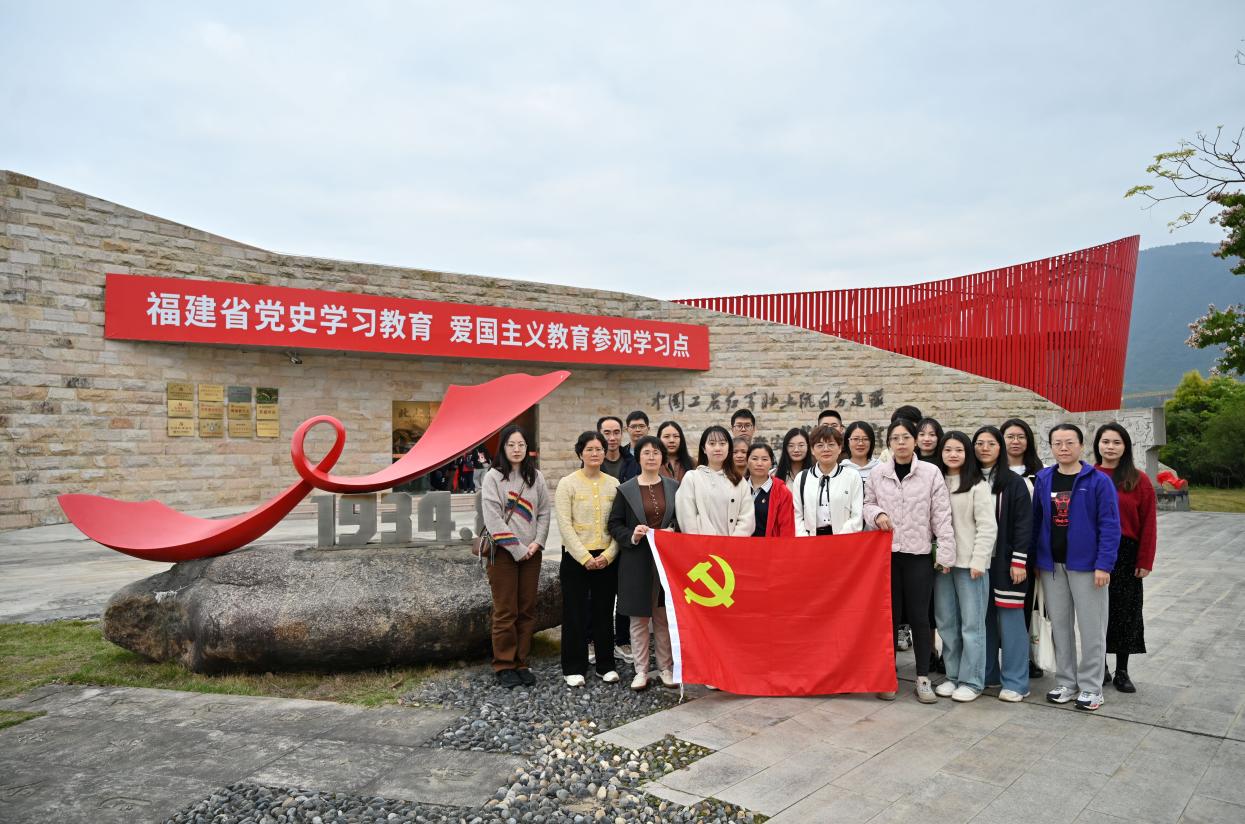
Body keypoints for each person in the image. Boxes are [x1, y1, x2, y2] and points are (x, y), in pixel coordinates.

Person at [863, 418, 956, 703]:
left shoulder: (930, 473)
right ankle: (887, 675)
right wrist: (877, 514)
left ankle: (923, 677)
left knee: (919, 616)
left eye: (906, 437)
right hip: (886, 556)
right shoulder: (878, 473)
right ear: (889, 443)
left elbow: (941, 515)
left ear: (915, 441)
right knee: (889, 616)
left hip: (918, 555)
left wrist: (946, 553)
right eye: (895, 438)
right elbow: (867, 504)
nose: (901, 443)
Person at [1033, 423, 1121, 712]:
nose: (1063, 448)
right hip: (1052, 566)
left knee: (1092, 628)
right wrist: (1036, 560)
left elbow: (1110, 525)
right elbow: (1036, 521)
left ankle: (1092, 687)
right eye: (1057, 443)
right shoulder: (1044, 478)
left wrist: (1104, 565)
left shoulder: (1097, 481)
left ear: (1081, 445)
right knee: (1060, 627)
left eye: (1069, 442)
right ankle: (1066, 682)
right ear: (1051, 447)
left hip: (1088, 567)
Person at [481, 425, 552, 689]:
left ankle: (521, 661)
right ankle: (504, 664)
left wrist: (537, 542)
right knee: (505, 610)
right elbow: (493, 519)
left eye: (521, 444)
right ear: (503, 447)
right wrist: (518, 549)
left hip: (532, 553)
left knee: (526, 609)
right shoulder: (493, 477)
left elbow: (544, 512)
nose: (516, 449)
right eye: (511, 444)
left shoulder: (536, 477)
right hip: (503, 554)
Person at [608, 435, 679, 691]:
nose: (651, 457)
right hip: (636, 560)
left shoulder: (674, 487)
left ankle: (666, 668)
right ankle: (641, 670)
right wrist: (633, 535)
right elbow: (614, 524)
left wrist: (673, 531)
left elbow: (681, 519)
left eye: (656, 452)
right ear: (638, 457)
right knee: (638, 618)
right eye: (646, 452)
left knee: (663, 616)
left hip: (665, 562)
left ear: (662, 457)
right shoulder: (625, 490)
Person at [932, 431, 997, 703]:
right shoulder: (935, 481)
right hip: (942, 565)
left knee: (972, 625)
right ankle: (953, 675)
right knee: (947, 623)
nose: (953, 454)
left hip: (970, 566)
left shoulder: (977, 485)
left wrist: (979, 560)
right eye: (948, 449)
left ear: (967, 453)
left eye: (959, 450)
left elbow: (987, 527)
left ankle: (972, 681)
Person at [1094, 422, 1157, 694]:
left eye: (1116, 442)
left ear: (1125, 447)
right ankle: (1100, 667)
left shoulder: (1138, 480)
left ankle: (1122, 670)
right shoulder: (1089, 475)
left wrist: (1144, 560)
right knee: (1096, 611)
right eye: (1105, 441)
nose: (1110, 447)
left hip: (1127, 553)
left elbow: (1149, 522)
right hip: (1095, 552)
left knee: (1126, 612)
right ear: (1097, 444)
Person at [556, 431, 623, 687]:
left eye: (599, 449)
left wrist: (609, 554)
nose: (595, 453)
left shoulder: (614, 484)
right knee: (575, 612)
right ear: (580, 453)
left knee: (604, 611)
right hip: (576, 558)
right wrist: (584, 557)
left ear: (605, 453)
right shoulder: (567, 484)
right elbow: (564, 524)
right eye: (589, 449)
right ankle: (574, 667)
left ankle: (606, 665)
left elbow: (618, 523)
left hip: (606, 557)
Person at [974, 426, 1033, 703]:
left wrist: (1019, 561)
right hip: (977, 561)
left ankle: (1017, 681)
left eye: (991, 443)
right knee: (982, 619)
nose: (984, 448)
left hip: (1007, 562)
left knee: (1011, 621)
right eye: (979, 443)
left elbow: (1024, 524)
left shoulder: (1013, 482)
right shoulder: (969, 479)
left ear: (1000, 447)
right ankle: (988, 675)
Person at [1001, 416, 1045, 678]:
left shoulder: (1041, 473)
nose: (1015, 441)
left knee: (1027, 605)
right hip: (998, 551)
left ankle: (1027, 657)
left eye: (1021, 436)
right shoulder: (991, 473)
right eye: (1010, 436)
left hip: (1028, 551)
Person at [675, 425, 754, 538]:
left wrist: (733, 542)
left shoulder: (739, 481)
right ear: (704, 449)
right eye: (712, 444)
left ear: (729, 448)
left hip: (733, 545)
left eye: (722, 443)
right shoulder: (692, 478)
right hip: (702, 545)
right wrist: (700, 543)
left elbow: (747, 518)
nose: (717, 448)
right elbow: (686, 517)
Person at [793, 425, 863, 536]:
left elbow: (857, 516)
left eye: (831, 444)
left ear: (839, 448)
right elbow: (797, 516)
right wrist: (805, 539)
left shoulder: (852, 476)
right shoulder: (802, 478)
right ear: (812, 450)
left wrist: (839, 539)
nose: (826, 449)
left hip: (844, 539)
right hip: (810, 539)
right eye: (820, 445)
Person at [746, 442, 796, 537]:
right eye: (754, 459)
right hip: (740, 544)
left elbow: (786, 528)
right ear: (747, 461)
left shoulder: (782, 492)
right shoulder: (739, 487)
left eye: (764, 459)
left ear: (771, 462)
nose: (759, 463)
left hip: (770, 545)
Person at [598, 416, 640, 482]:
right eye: (607, 433)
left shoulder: (633, 462)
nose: (612, 438)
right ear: (599, 435)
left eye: (616, 433)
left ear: (621, 434)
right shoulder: (591, 462)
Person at [842, 421, 880, 487]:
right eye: (855, 439)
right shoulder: (841, 470)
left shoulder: (880, 469)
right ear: (847, 442)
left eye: (865, 439)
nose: (860, 443)